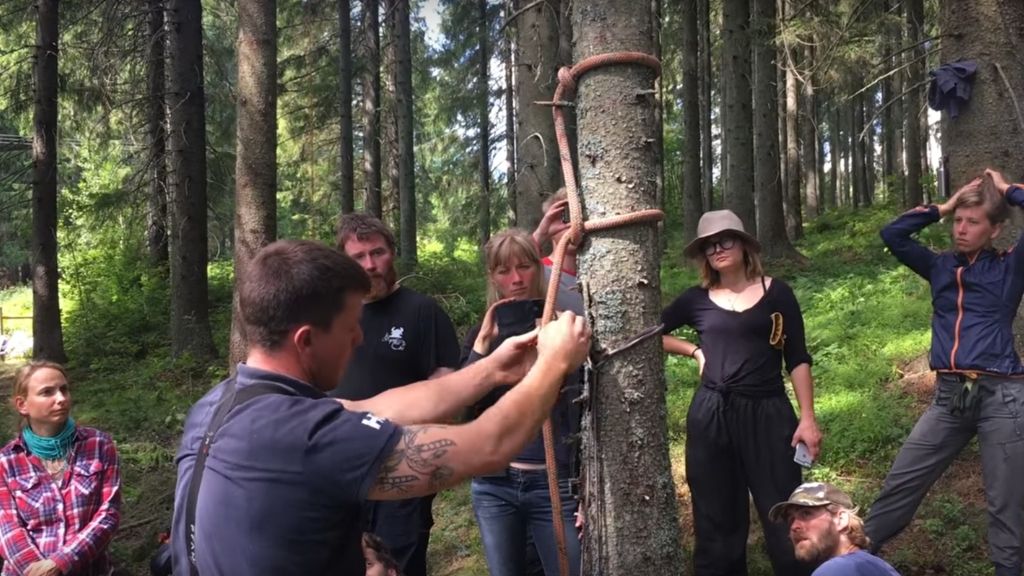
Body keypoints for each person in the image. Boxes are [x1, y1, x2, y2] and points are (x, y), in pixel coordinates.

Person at [170, 239, 590, 576]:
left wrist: (494, 369)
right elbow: (489, 444)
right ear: (305, 340)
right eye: (351, 328)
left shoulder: (224, 403)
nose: (358, 339)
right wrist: (553, 364)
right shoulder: (308, 437)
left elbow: (378, 405)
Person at [865, 170, 1024, 576]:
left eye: (973, 222)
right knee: (900, 485)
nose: (962, 229)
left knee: (1005, 507)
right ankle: (850, 563)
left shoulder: (1009, 269)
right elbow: (893, 235)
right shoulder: (939, 266)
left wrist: (1008, 191)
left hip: (1001, 397)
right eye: (958, 221)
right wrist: (945, 205)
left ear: (995, 229)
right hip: (950, 397)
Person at [660, 209, 822, 575]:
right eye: (709, 246)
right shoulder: (694, 299)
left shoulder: (777, 293)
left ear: (744, 243)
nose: (717, 248)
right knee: (716, 518)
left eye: (725, 239)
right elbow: (652, 331)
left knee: (784, 510)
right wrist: (694, 350)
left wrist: (807, 419)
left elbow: (797, 357)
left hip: (769, 413)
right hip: (711, 414)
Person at [330, 213, 461, 576]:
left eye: (378, 252)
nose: (370, 265)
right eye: (358, 257)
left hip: (401, 468)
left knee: (399, 565)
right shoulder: (332, 316)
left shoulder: (422, 312)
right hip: (339, 471)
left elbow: (445, 390)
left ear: (392, 252)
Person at [461, 229, 583, 576]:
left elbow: (583, 413)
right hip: (494, 484)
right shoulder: (483, 335)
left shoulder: (565, 330)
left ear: (541, 269)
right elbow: (463, 409)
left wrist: (584, 490)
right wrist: (483, 343)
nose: (516, 279)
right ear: (493, 277)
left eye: (525, 267)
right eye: (504, 271)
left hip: (553, 482)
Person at [0, 361, 122, 576]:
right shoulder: (6, 462)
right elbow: (7, 529)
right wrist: (37, 572)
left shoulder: (99, 445)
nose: (61, 398)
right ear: (22, 405)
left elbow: (108, 514)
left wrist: (61, 563)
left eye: (64, 389)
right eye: (47, 392)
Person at [769, 482, 901, 575]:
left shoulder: (836, 570)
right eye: (791, 520)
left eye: (806, 513)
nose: (794, 527)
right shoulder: (876, 566)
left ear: (841, 519)